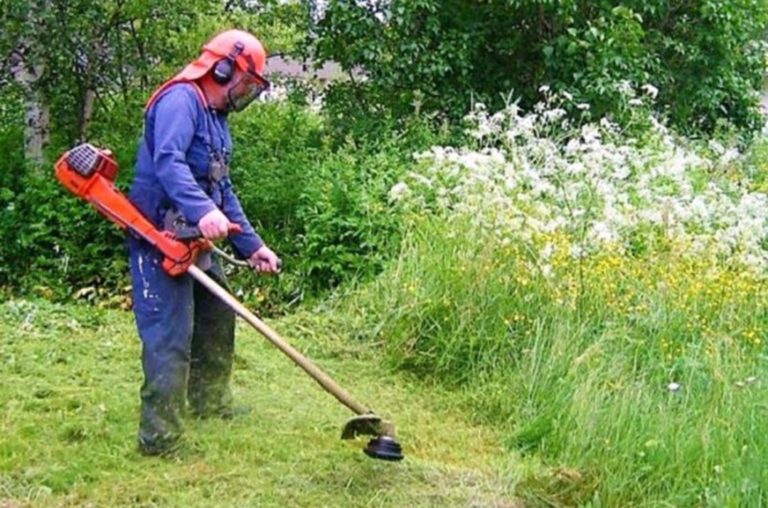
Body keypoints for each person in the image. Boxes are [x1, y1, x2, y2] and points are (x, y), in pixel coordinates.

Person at [127, 29, 281, 456]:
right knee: (169, 336)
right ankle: (160, 439)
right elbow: (169, 161)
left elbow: (222, 187)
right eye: (246, 83)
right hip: (159, 236)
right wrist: (203, 211)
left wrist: (253, 246)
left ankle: (210, 404)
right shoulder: (181, 101)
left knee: (217, 318)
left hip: (194, 237)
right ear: (223, 67)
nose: (246, 93)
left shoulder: (216, 118)